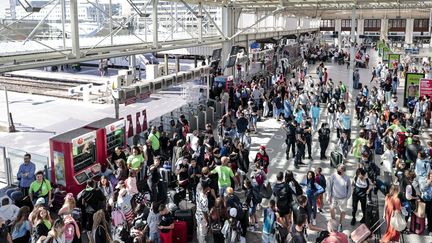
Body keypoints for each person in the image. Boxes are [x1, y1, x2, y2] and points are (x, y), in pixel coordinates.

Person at [327, 164, 352, 232]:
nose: (338, 172)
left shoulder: (347, 178)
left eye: (340, 171)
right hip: (334, 197)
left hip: (343, 198)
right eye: (337, 171)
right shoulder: (333, 176)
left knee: (343, 211)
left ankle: (340, 224)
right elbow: (329, 186)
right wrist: (328, 196)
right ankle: (333, 222)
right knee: (331, 208)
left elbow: (349, 188)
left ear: (344, 171)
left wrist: (347, 197)